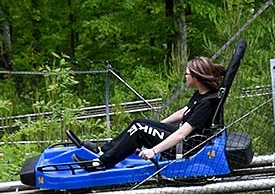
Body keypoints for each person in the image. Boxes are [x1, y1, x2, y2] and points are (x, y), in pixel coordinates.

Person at [70, 56, 227, 171]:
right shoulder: (201, 94)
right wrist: (159, 124)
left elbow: (181, 135)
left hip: (184, 147)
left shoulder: (206, 103)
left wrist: (153, 151)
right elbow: (184, 112)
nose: (185, 77)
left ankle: (101, 163)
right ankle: (102, 150)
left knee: (139, 128)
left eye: (187, 74)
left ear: (196, 77)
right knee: (139, 123)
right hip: (182, 139)